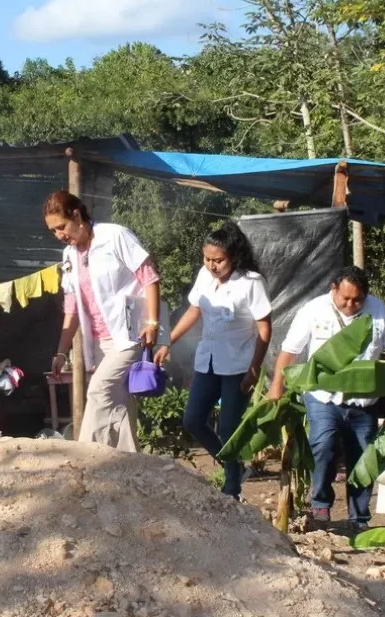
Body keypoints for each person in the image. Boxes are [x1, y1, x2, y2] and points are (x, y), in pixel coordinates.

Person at [267, 266, 385, 530]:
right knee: (324, 443)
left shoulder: (379, 312)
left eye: (357, 299)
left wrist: (383, 374)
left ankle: (359, 519)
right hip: (322, 395)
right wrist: (277, 386)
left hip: (364, 400)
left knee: (363, 456)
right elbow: (290, 351)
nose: (351, 304)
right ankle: (320, 503)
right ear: (333, 289)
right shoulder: (312, 311)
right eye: (346, 298)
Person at [154, 224, 272, 497]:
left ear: (234, 255)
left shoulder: (251, 282)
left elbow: (265, 329)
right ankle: (234, 466)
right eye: (207, 259)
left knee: (229, 427)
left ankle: (232, 485)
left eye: (218, 260)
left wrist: (254, 370)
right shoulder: (204, 277)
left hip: (238, 365)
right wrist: (168, 341)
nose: (212, 265)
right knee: (193, 420)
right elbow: (194, 310)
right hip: (207, 360)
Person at [44, 191, 162, 452]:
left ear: (76, 215)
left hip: (129, 334)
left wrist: (153, 322)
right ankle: (131, 463)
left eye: (61, 227)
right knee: (119, 402)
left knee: (98, 392)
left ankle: (83, 458)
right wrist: (62, 352)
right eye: (53, 231)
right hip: (97, 341)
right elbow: (72, 307)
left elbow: (150, 277)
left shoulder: (115, 236)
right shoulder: (69, 256)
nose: (60, 235)